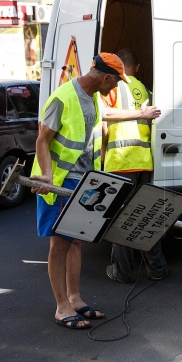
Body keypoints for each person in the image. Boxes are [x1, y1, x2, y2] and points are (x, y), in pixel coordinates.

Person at [30, 53, 162, 329]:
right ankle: (62, 307)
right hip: (60, 182)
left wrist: (140, 114)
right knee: (59, 244)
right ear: (105, 77)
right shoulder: (63, 97)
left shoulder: (93, 97)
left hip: (83, 181)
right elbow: (42, 139)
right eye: (115, 82)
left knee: (76, 240)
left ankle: (75, 299)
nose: (116, 88)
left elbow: (106, 116)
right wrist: (46, 175)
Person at [103, 49, 168, 283]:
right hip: (144, 162)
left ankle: (123, 272)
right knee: (145, 216)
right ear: (138, 67)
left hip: (120, 161)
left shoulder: (113, 86)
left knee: (119, 220)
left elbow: (104, 115)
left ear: (117, 66)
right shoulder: (147, 90)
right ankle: (157, 269)